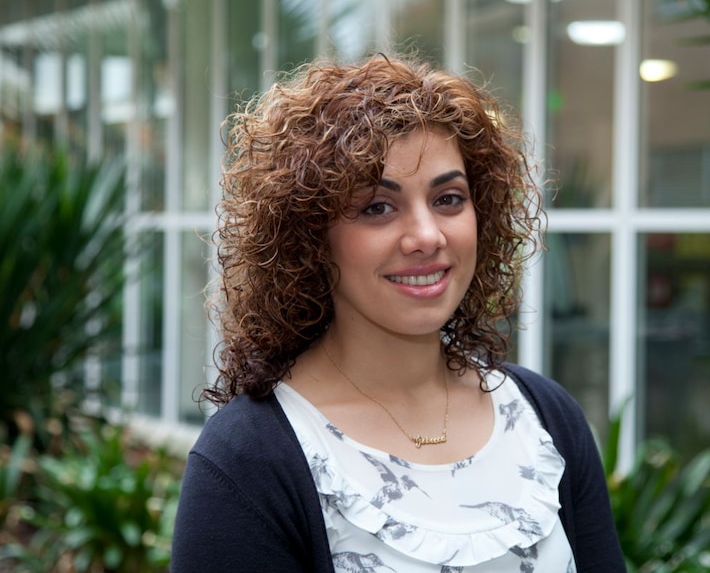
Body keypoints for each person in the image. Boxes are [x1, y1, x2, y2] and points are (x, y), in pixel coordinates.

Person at [171, 53, 625, 573]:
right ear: (309, 237)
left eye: (449, 199)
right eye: (377, 207)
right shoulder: (248, 462)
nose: (427, 236)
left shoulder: (547, 420)